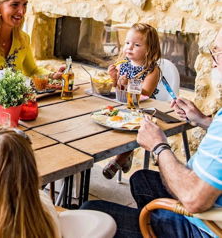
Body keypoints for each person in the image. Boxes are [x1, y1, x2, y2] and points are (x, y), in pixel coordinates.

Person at [81, 28, 222, 238]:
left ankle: (154, 228)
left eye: (217, 54)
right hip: (206, 205)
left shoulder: (151, 70)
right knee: (141, 179)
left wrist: (159, 146)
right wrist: (203, 120)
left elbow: (194, 199)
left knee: (88, 213)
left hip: (201, 227)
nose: (212, 63)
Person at [103, 23, 161, 179]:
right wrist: (114, 78)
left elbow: (146, 93)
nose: (129, 47)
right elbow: (118, 89)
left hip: (144, 110)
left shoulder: (152, 70)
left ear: (149, 49)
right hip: (125, 107)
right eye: (127, 43)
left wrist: (130, 84)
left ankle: (119, 159)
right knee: (110, 119)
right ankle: (126, 155)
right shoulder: (124, 66)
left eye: (136, 45)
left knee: (135, 127)